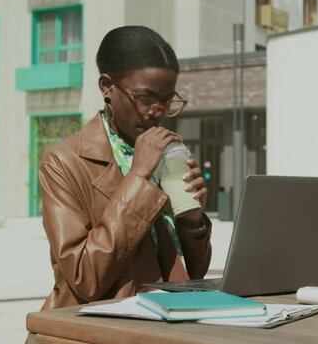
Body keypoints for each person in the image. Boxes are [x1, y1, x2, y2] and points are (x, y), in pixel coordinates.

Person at [38, 26, 212, 310]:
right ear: (107, 86)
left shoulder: (165, 155)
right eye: (146, 99)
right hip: (99, 328)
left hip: (171, 319)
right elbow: (85, 278)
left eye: (167, 101)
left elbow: (192, 275)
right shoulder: (63, 161)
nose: (157, 112)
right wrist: (138, 177)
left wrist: (191, 222)